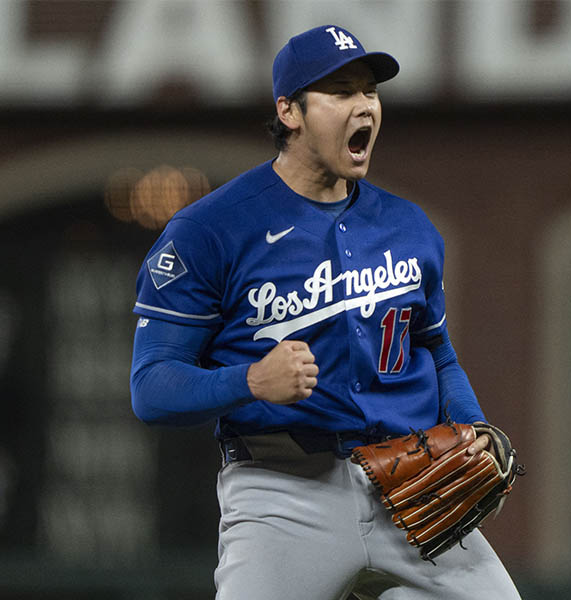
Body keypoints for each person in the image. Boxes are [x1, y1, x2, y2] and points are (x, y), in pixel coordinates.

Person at [130, 24, 522, 600]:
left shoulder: (409, 227)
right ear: (289, 111)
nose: (363, 105)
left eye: (370, 91)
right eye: (341, 91)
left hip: (408, 487)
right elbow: (151, 387)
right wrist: (251, 381)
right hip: (281, 493)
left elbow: (436, 351)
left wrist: (472, 424)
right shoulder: (210, 230)